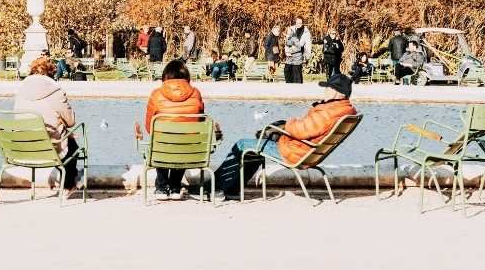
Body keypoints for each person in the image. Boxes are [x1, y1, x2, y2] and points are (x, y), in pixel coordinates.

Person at [215, 72, 357, 198]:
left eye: (327, 88)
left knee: (242, 144)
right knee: (256, 148)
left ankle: (216, 187)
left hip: (294, 152)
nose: (325, 91)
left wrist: (288, 123)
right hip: (307, 151)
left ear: (336, 92)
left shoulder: (327, 112)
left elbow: (302, 130)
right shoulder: (344, 110)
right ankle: (232, 189)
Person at [13, 55, 80, 191]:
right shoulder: (55, 91)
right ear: (51, 73)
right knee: (73, 146)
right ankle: (68, 185)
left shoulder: (21, 90)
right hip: (50, 147)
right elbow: (71, 121)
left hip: (24, 146)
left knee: (63, 135)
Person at [141, 59, 205, 199]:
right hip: (188, 149)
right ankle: (175, 186)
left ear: (165, 76)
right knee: (183, 138)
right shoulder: (196, 93)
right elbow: (200, 122)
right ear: (187, 77)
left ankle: (162, 187)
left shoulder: (156, 94)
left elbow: (149, 128)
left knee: (161, 139)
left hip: (162, 149)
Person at [283, 18, 312, 84]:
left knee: (297, 71)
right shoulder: (291, 29)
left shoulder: (306, 32)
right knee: (287, 70)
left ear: (302, 23)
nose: (298, 24)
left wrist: (307, 56)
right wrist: (287, 52)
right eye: (297, 23)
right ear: (295, 22)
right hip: (290, 53)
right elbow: (287, 42)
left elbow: (308, 45)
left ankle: (298, 88)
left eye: (300, 23)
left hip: (299, 53)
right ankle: (289, 85)